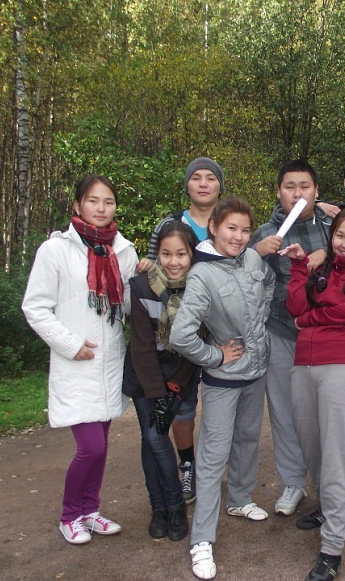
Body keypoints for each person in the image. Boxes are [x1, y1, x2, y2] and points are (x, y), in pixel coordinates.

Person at [22, 175, 138, 545]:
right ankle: (69, 515)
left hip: (109, 362)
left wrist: (147, 278)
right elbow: (35, 308)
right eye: (93, 200)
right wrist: (70, 345)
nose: (101, 208)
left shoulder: (124, 250)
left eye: (108, 201)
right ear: (77, 205)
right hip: (77, 363)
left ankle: (90, 510)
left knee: (101, 444)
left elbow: (129, 307)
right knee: (92, 448)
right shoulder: (55, 250)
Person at [169, 197, 275, 580]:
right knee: (213, 457)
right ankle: (202, 540)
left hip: (255, 373)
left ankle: (240, 498)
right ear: (214, 227)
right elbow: (181, 335)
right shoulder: (202, 274)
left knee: (247, 438)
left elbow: (268, 283)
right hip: (223, 380)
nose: (239, 237)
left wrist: (259, 323)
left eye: (246, 230)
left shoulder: (252, 259)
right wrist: (215, 355)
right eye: (232, 228)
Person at [281, 207, 345, 581]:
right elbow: (295, 304)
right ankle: (328, 507)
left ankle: (332, 549)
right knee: (312, 446)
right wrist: (298, 267)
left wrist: (309, 319)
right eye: (340, 235)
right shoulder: (321, 269)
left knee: (337, 456)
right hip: (304, 365)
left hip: (344, 364)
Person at [138, 156, 225, 504]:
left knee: (221, 400)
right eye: (196, 177)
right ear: (187, 184)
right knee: (183, 402)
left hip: (219, 327)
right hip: (177, 329)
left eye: (210, 178)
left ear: (220, 185)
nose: (203, 183)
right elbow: (152, 266)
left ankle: (216, 465)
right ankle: (187, 463)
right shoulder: (170, 224)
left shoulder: (226, 222)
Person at [248, 159, 332, 517]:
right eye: (289, 187)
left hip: (325, 335)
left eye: (305, 186)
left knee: (323, 414)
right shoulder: (265, 233)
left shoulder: (333, 227)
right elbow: (241, 278)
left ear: (316, 190)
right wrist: (255, 254)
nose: (297, 194)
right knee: (283, 411)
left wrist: (328, 252)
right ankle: (293, 482)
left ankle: (328, 485)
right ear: (278, 191)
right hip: (280, 332)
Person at [123, 222, 201, 542]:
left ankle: (173, 506)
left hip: (179, 373)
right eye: (166, 254)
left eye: (181, 254)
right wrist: (157, 393)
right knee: (151, 438)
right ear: (157, 255)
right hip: (144, 373)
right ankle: (162, 507)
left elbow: (196, 345)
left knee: (153, 437)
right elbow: (141, 346)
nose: (173, 261)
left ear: (192, 254)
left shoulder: (200, 287)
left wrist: (173, 389)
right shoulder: (142, 286)